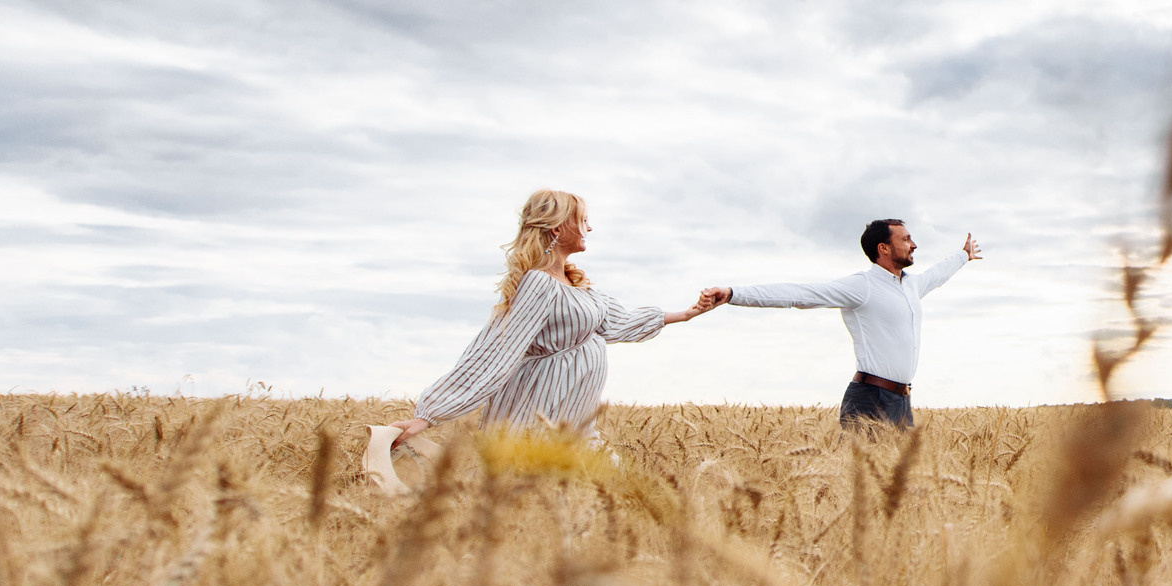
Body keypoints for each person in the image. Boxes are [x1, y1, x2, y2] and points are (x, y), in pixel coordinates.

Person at [388, 189, 714, 444]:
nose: (590, 227)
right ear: (558, 228)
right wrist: (428, 416)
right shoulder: (538, 283)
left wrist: (688, 313)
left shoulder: (577, 286)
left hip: (574, 423)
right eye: (583, 219)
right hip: (535, 415)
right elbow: (496, 350)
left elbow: (617, 322)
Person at [698, 220, 981, 430]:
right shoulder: (862, 286)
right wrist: (734, 294)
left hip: (901, 400)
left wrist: (962, 255)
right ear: (883, 248)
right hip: (871, 398)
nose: (914, 244)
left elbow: (938, 273)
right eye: (906, 239)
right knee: (858, 488)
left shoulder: (912, 286)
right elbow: (799, 294)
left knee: (897, 495)